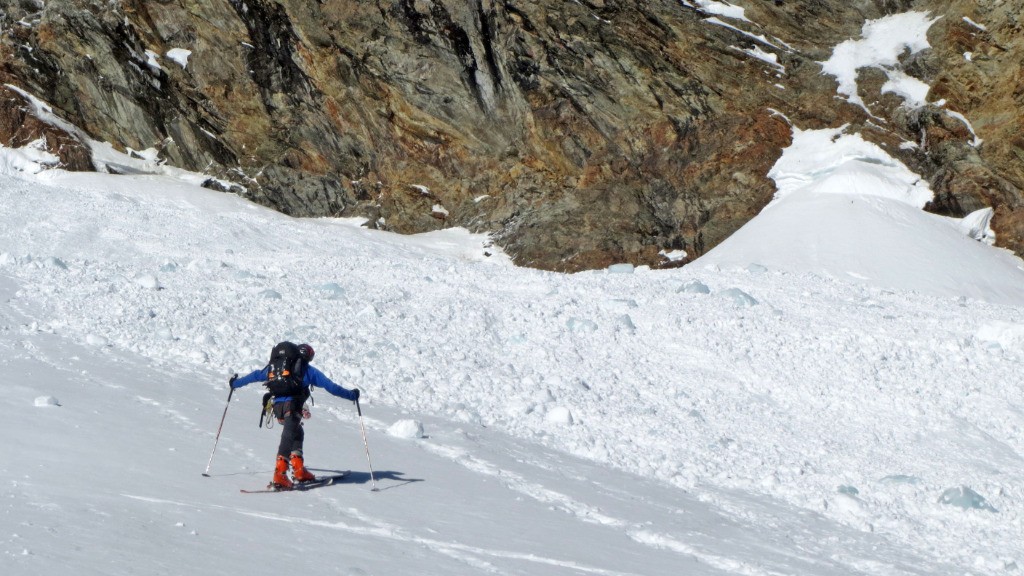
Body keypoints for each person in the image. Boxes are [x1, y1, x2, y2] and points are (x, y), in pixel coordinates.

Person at [230, 342, 359, 489]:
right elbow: (332, 387)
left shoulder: (277, 369)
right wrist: (351, 395)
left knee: (297, 432)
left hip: (277, 408)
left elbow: (255, 375)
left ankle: (298, 470)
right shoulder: (307, 370)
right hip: (293, 407)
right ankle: (280, 475)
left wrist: (235, 384)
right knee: (289, 435)